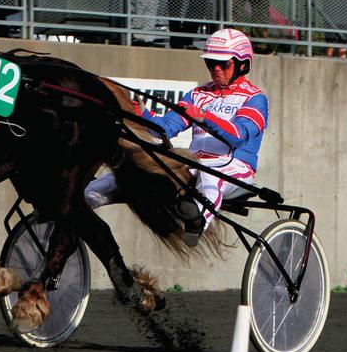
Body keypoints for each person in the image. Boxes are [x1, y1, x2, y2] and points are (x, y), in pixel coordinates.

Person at [85, 28, 268, 247]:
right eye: (210, 63)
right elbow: (163, 129)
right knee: (130, 173)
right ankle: (78, 203)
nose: (215, 69)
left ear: (242, 64)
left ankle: (196, 222)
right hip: (195, 165)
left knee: (211, 178)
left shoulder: (255, 99)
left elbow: (237, 135)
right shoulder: (198, 94)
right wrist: (140, 114)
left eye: (223, 64)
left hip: (235, 168)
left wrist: (202, 116)